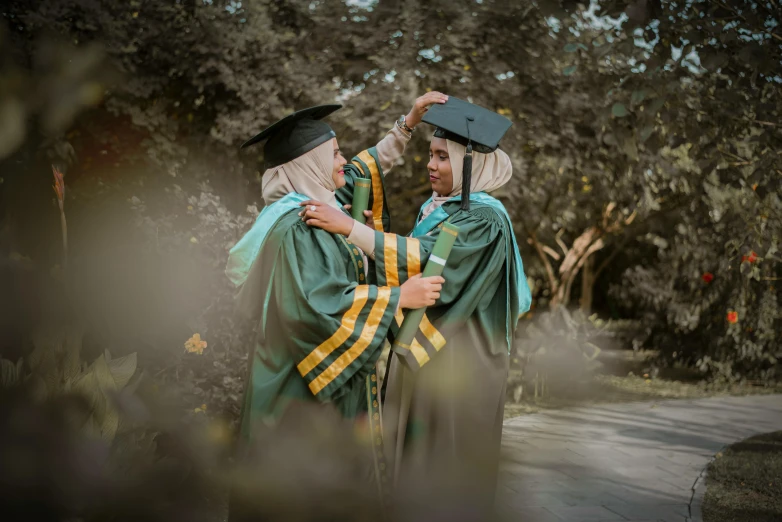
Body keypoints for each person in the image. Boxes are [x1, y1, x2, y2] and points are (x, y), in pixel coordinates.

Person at [299, 97, 532, 513]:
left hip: (463, 362)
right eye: (431, 154)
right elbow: (409, 274)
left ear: (470, 166)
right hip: (431, 356)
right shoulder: (442, 209)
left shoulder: (485, 219)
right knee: (413, 464)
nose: (432, 164)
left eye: (444, 157)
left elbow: (425, 260)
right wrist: (365, 236)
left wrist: (351, 229)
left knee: (445, 467)